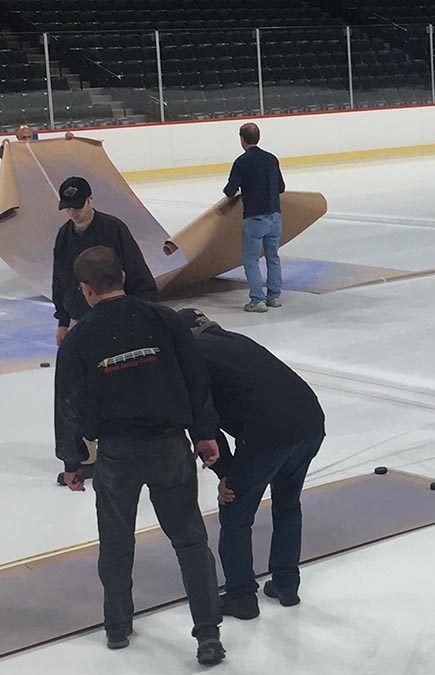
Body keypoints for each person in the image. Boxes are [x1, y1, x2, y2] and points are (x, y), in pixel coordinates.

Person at [54, 246, 226, 665]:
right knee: (189, 540)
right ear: (123, 278)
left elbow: (68, 403)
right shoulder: (163, 319)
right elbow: (195, 379)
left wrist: (72, 460)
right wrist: (205, 434)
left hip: (116, 457)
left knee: (115, 544)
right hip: (170, 448)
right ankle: (208, 635)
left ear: (87, 289)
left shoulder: (79, 338)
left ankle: (117, 627)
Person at [175, 308, 325, 620]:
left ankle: (241, 597)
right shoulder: (236, 341)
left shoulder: (194, 357)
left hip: (268, 434)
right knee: (287, 505)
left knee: (235, 513)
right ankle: (286, 583)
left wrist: (225, 473)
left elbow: (204, 420)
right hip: (310, 421)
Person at [53, 176, 159, 347]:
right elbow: (58, 281)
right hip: (79, 320)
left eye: (78, 206)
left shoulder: (114, 229)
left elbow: (139, 274)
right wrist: (63, 323)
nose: (73, 213)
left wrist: (143, 316)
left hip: (118, 320)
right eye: (68, 208)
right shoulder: (64, 236)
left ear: (90, 199)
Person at [223, 122, 286, 313]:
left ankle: (257, 299)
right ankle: (274, 296)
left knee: (251, 260)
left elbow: (230, 191)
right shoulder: (271, 159)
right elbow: (281, 187)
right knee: (273, 257)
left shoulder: (242, 162)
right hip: (274, 217)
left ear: (242, 140)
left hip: (254, 219)